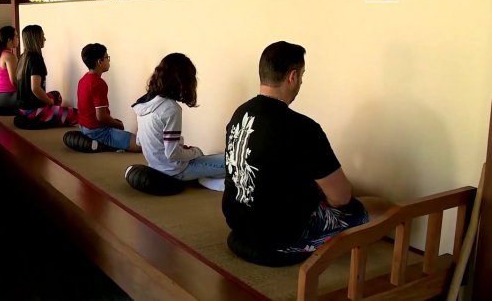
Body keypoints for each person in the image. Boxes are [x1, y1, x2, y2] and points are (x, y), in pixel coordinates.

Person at [222, 41, 393, 255]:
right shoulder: (302, 127)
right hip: (283, 237)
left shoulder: (240, 114)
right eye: (301, 75)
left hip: (240, 226)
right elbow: (341, 197)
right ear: (292, 76)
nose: (300, 82)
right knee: (385, 208)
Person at [132, 53, 226, 191]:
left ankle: (204, 177)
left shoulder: (143, 104)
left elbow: (139, 141)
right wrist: (195, 152)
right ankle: (211, 182)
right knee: (231, 162)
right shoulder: (170, 109)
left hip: (156, 167)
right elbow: (172, 153)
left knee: (207, 158)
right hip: (176, 171)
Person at [77, 43, 141, 152]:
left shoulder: (83, 80)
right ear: (100, 62)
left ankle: (100, 143)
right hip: (97, 131)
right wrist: (119, 125)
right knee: (141, 145)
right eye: (107, 57)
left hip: (83, 127)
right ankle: (104, 144)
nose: (108, 61)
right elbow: (101, 117)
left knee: (115, 123)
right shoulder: (98, 84)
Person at [14, 25, 78, 129]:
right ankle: (48, 117)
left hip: (23, 108)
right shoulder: (36, 59)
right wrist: (50, 102)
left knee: (57, 95)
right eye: (42, 36)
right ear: (36, 39)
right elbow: (35, 88)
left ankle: (52, 115)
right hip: (33, 110)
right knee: (77, 114)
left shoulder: (23, 57)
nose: (44, 39)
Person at [0, 26, 19, 108]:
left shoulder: (0, 54)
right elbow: (14, 80)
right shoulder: (9, 56)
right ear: (9, 40)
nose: (18, 39)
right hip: (6, 96)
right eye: (16, 36)